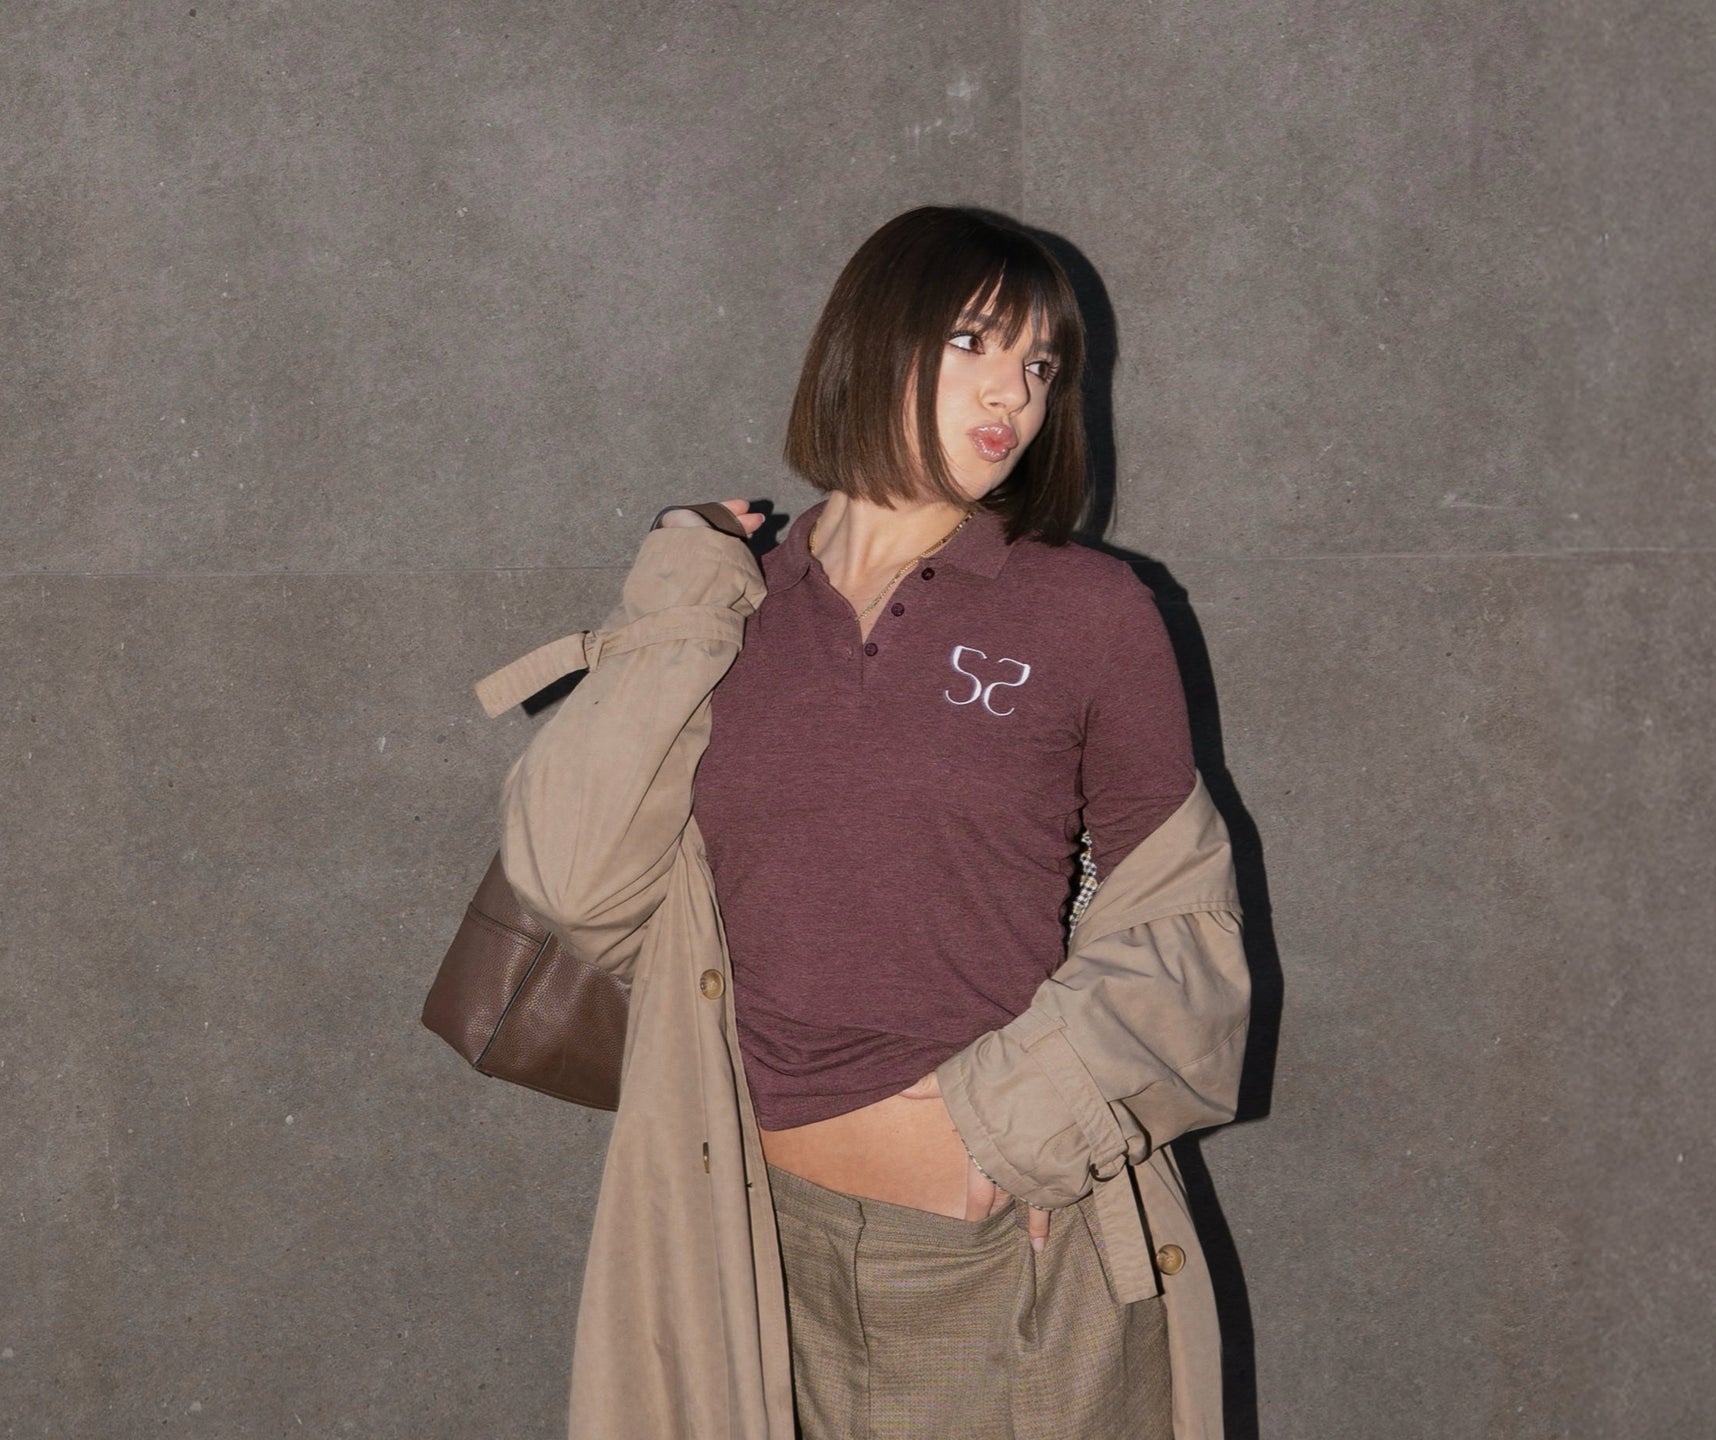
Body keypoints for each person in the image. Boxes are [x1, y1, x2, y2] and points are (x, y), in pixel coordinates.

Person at [495, 207, 1252, 1440]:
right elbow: (571, 879)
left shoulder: (1088, 610)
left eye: (1041, 365)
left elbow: (1187, 931)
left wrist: (1003, 1130)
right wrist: (679, 597)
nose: (1012, 392)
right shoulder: (737, 610)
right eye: (972, 342)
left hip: (992, 1264)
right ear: (871, 339)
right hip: (743, 1257)